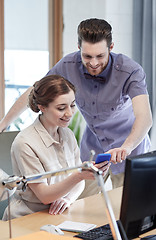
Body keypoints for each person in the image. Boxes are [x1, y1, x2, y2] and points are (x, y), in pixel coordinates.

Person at [0, 18, 152, 193]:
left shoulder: (130, 70)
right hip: (92, 151)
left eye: (100, 56)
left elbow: (144, 117)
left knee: (128, 209)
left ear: (111, 48)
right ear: (78, 47)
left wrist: (127, 147)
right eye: (87, 56)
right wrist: (3, 124)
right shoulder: (68, 65)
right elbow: (36, 91)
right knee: (81, 206)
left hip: (129, 149)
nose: (93, 63)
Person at [2, 74, 110, 220]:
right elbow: (45, 196)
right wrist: (79, 175)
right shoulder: (25, 143)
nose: (69, 113)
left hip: (60, 214)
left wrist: (68, 199)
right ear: (42, 107)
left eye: (72, 105)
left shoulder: (68, 135)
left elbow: (79, 184)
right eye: (61, 108)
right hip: (28, 217)